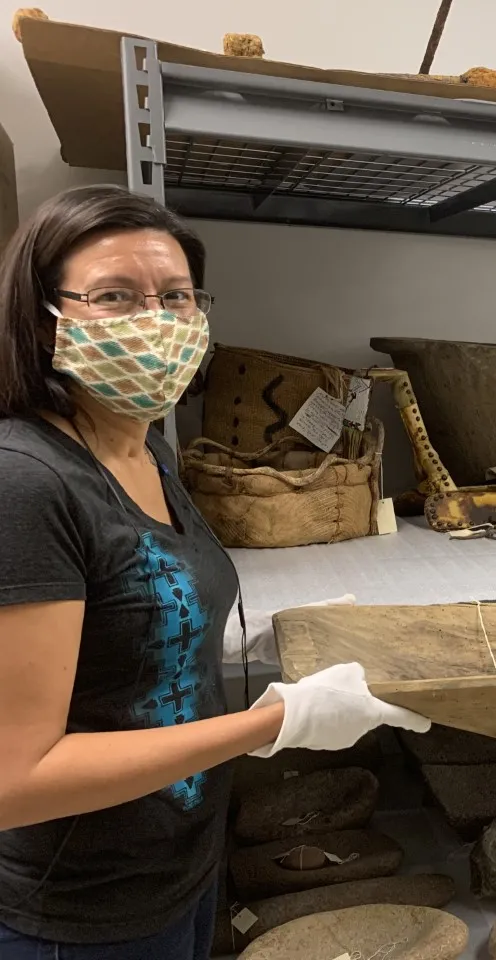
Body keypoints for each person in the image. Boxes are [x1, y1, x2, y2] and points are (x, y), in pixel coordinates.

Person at [0, 185, 431, 959]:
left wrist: (286, 637)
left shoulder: (145, 451)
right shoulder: (26, 481)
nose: (156, 321)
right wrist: (278, 722)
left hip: (183, 867)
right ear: (43, 318)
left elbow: (128, 625)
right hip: (84, 913)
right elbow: (17, 779)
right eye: (115, 296)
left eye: (176, 297)